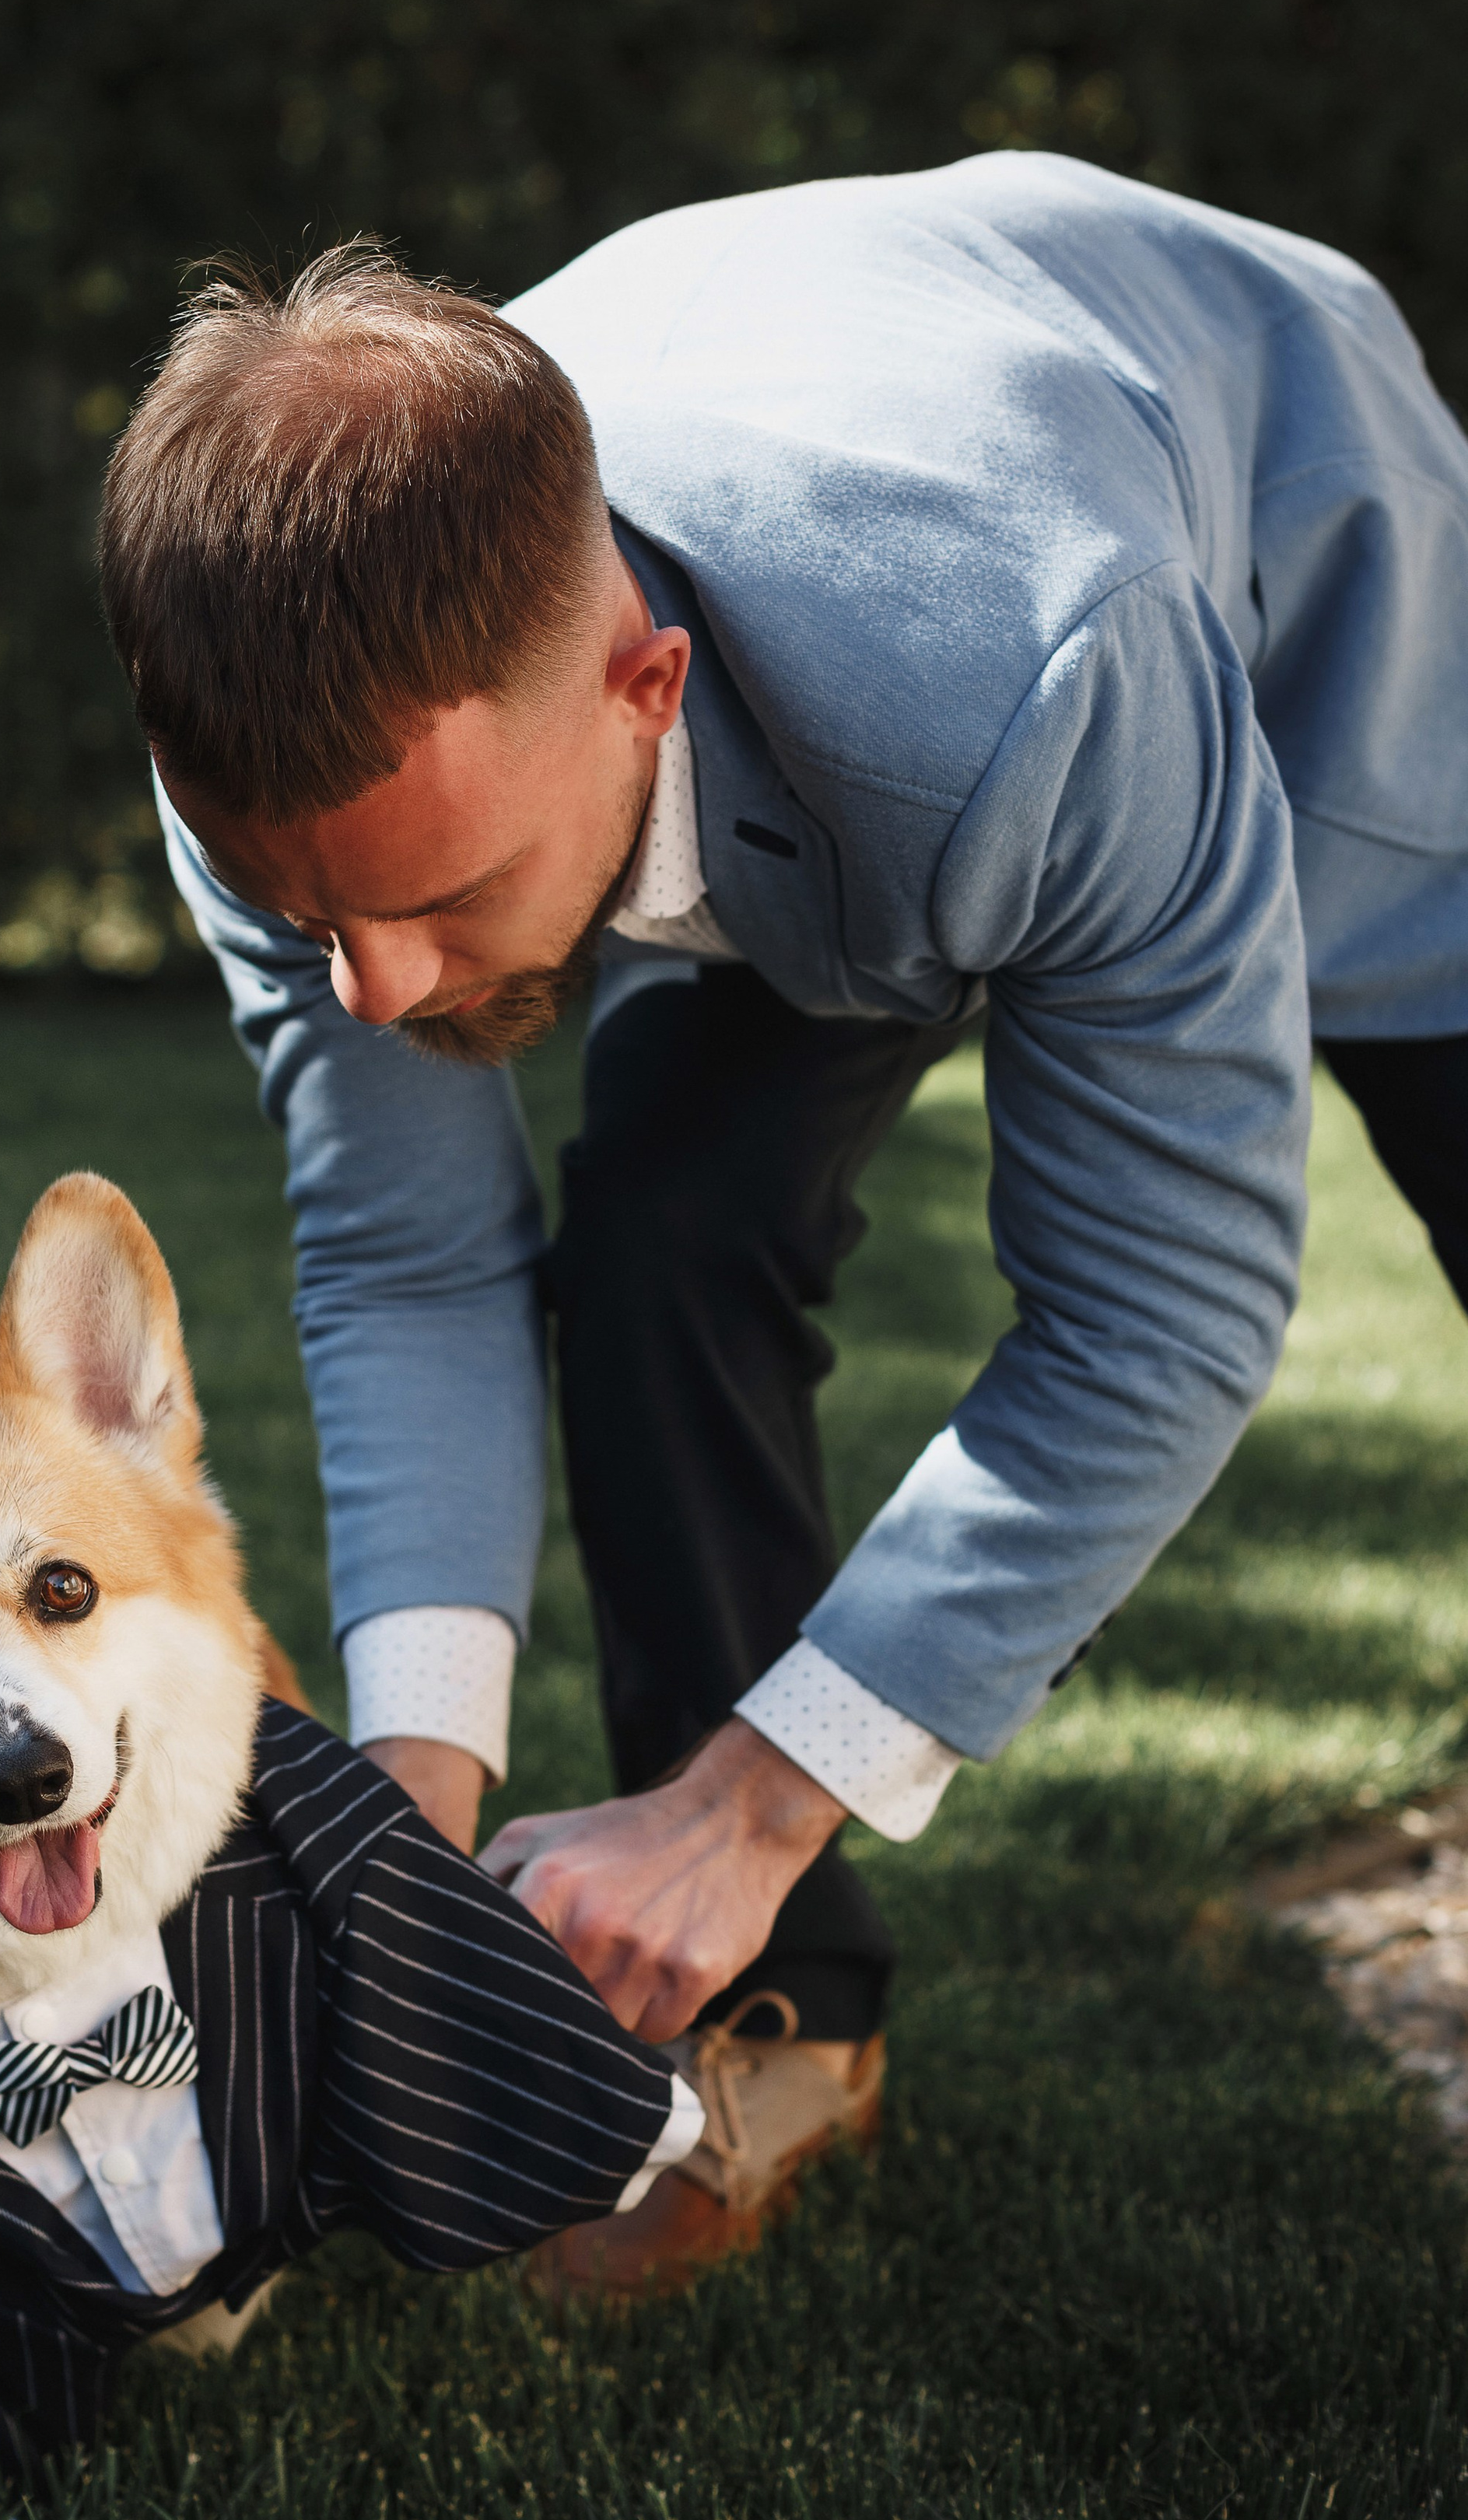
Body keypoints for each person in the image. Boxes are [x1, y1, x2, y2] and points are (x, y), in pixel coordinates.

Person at [94, 152, 1468, 2296]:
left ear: (639, 689)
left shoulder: (1036, 676)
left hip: (1301, 583)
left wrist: (748, 1799)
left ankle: (732, 1867)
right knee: (662, 1240)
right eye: (307, 915)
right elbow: (411, 1257)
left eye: (435, 903)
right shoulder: (272, 745)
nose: (368, 990)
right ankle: (785, 2024)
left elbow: (1162, 1313)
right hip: (826, 734)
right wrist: (404, 1843)